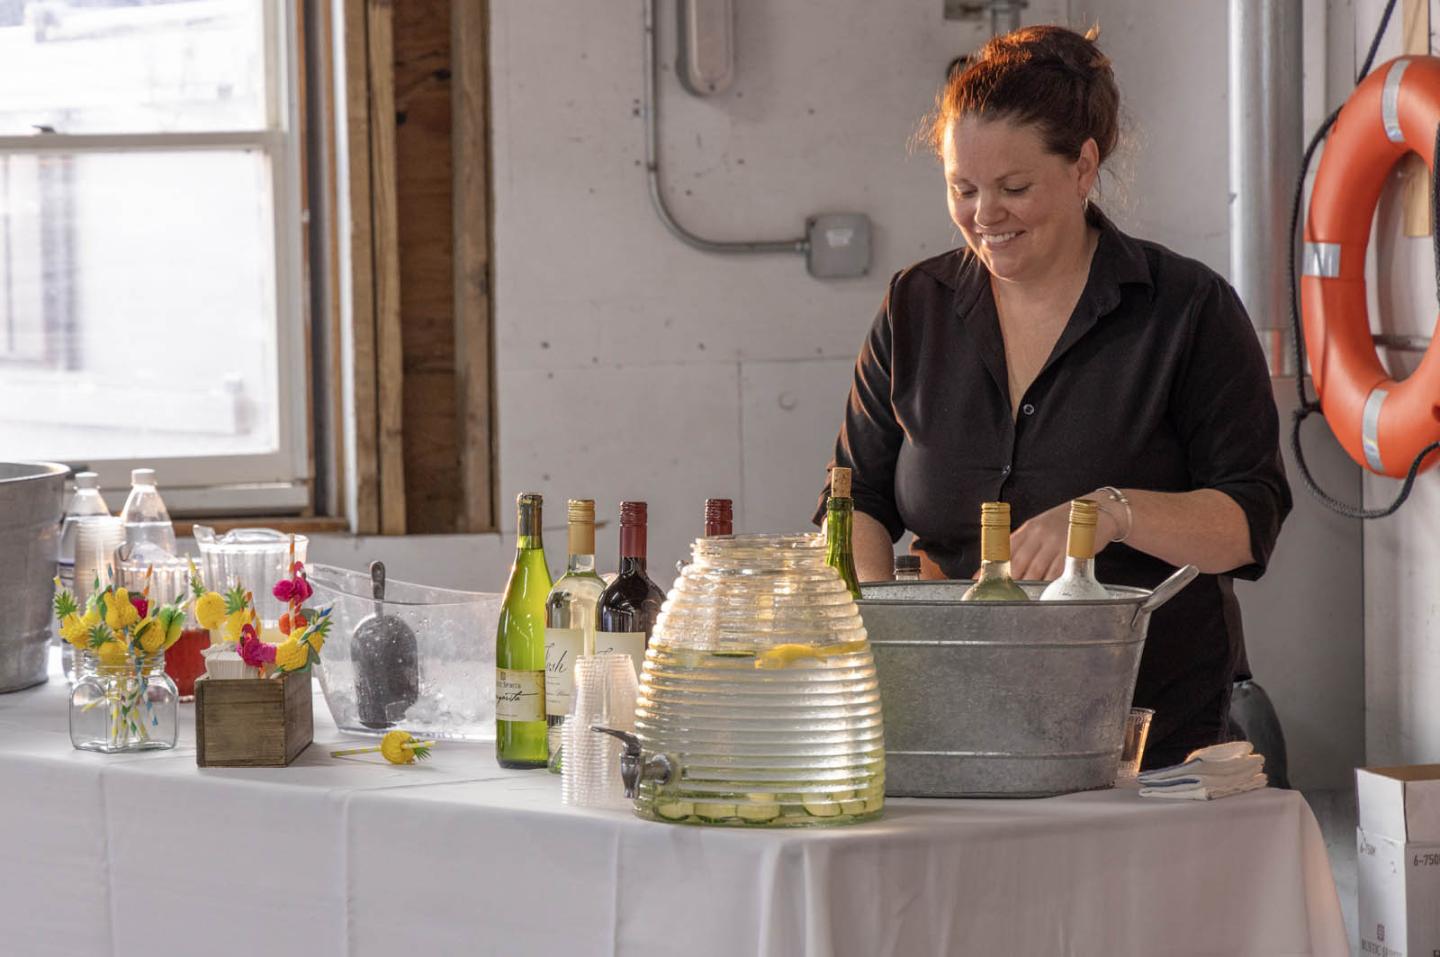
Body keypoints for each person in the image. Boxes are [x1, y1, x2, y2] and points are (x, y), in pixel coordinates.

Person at [816, 25, 1292, 770]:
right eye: (961, 188)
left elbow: (1248, 519)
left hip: (1148, 740)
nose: (983, 215)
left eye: (1013, 189)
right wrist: (888, 633)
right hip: (948, 730)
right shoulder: (917, 307)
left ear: (1082, 168)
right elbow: (856, 502)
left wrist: (1113, 510)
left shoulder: (1186, 310)